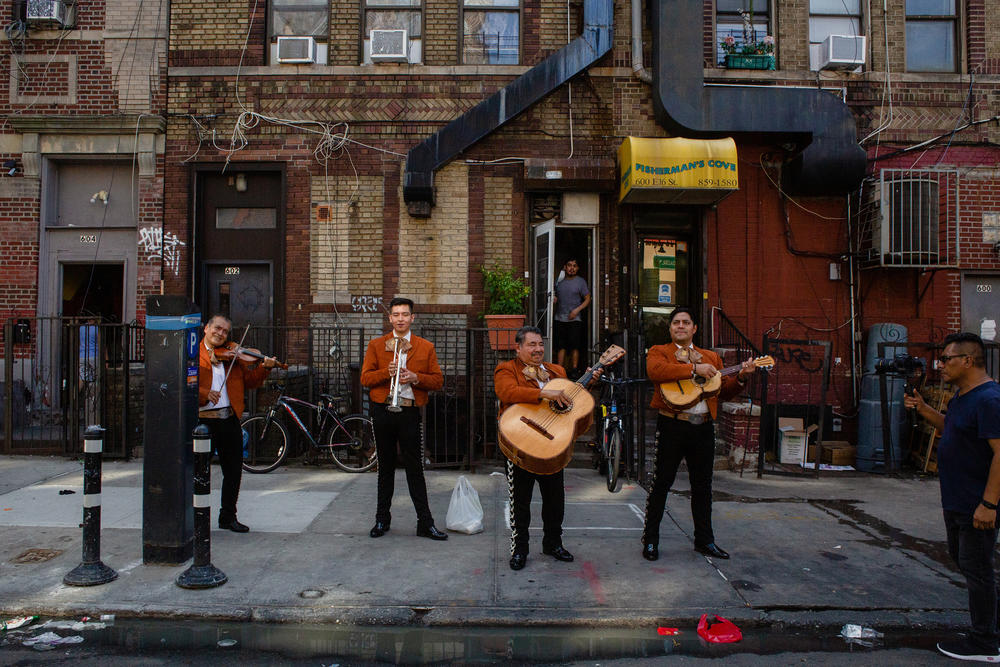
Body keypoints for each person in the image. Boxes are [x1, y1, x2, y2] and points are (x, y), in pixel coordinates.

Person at [905, 332, 1000, 662]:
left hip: (977, 503)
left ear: (968, 360)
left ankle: (985, 642)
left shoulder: (989, 399)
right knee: (966, 563)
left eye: (946, 359)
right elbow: (953, 429)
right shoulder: (963, 397)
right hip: (957, 500)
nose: (940, 364)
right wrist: (924, 409)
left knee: (978, 570)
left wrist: (989, 504)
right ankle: (986, 628)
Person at [642, 307, 755, 562]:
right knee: (661, 484)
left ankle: (705, 540)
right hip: (672, 425)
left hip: (703, 426)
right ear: (670, 329)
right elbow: (657, 372)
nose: (680, 326)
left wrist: (741, 378)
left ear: (694, 329)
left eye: (686, 322)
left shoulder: (712, 358)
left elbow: (723, 391)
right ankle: (650, 540)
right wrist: (695, 369)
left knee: (703, 487)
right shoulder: (660, 351)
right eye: (676, 323)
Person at [494, 325, 601, 570]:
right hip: (520, 440)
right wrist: (545, 393)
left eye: (540, 344)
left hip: (552, 443)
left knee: (555, 500)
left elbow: (570, 402)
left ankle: (553, 543)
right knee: (520, 501)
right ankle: (520, 548)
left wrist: (588, 384)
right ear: (518, 348)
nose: (538, 349)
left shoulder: (557, 371)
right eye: (531, 344)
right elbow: (506, 392)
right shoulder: (507, 369)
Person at [361, 297, 447, 541]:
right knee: (384, 467)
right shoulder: (377, 345)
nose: (400, 318)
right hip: (383, 409)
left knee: (415, 468)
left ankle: (425, 523)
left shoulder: (425, 346)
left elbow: (438, 381)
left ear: (412, 318)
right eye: (396, 314)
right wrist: (384, 373)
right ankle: (381, 520)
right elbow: (365, 379)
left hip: (409, 411)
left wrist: (416, 377)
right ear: (390, 318)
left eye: (404, 314)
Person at [199, 314, 278, 533]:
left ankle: (228, 517)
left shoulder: (232, 356)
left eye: (225, 331)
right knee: (199, 472)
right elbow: (185, 385)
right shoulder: (193, 354)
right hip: (202, 423)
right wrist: (205, 393)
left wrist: (265, 367)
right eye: (217, 328)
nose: (220, 334)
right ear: (206, 328)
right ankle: (197, 517)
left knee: (233, 471)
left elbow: (251, 382)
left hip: (229, 419)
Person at [553, 259, 591, 375]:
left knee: (575, 345)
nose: (572, 268)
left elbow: (588, 299)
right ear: (565, 267)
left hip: (575, 319)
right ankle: (560, 370)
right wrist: (554, 299)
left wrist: (577, 310)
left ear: (577, 268)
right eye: (569, 265)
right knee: (561, 345)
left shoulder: (581, 282)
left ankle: (574, 370)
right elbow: (553, 294)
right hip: (559, 318)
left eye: (574, 266)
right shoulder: (559, 281)